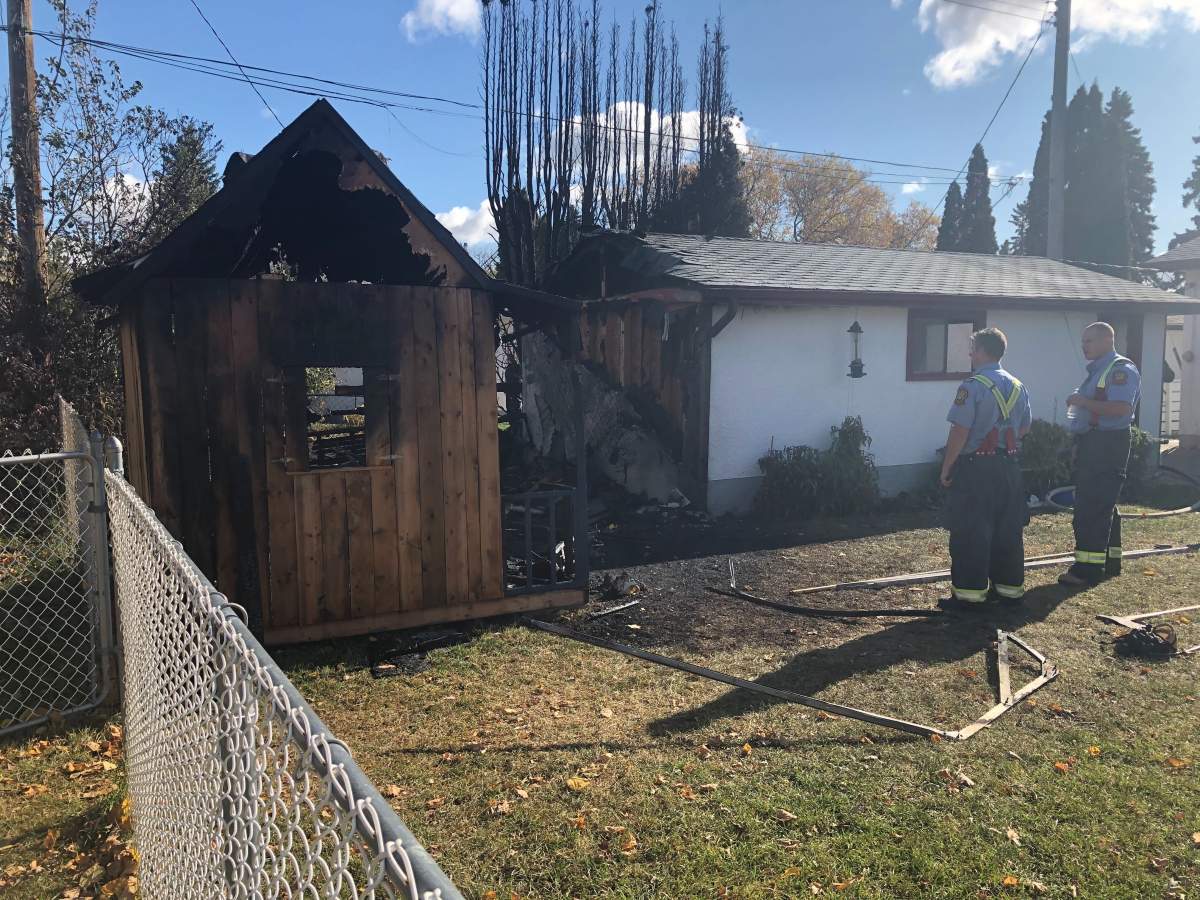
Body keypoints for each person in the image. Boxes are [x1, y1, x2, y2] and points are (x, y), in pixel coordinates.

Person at [938, 327, 1033, 608]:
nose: (969, 353)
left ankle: (969, 596)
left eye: (972, 348)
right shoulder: (1018, 385)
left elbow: (960, 431)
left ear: (980, 351)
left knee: (972, 530)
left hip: (976, 468)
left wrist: (947, 468)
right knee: (1009, 527)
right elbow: (1025, 427)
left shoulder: (972, 386)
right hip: (1009, 468)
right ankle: (1009, 590)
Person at [1058, 322, 1141, 587]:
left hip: (1106, 444)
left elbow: (1120, 409)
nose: (1084, 346)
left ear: (1107, 341)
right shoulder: (1099, 371)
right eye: (1083, 341)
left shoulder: (1119, 370)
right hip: (1094, 442)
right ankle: (1109, 561)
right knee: (1103, 504)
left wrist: (1082, 402)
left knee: (1091, 507)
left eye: (1089, 341)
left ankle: (1087, 570)